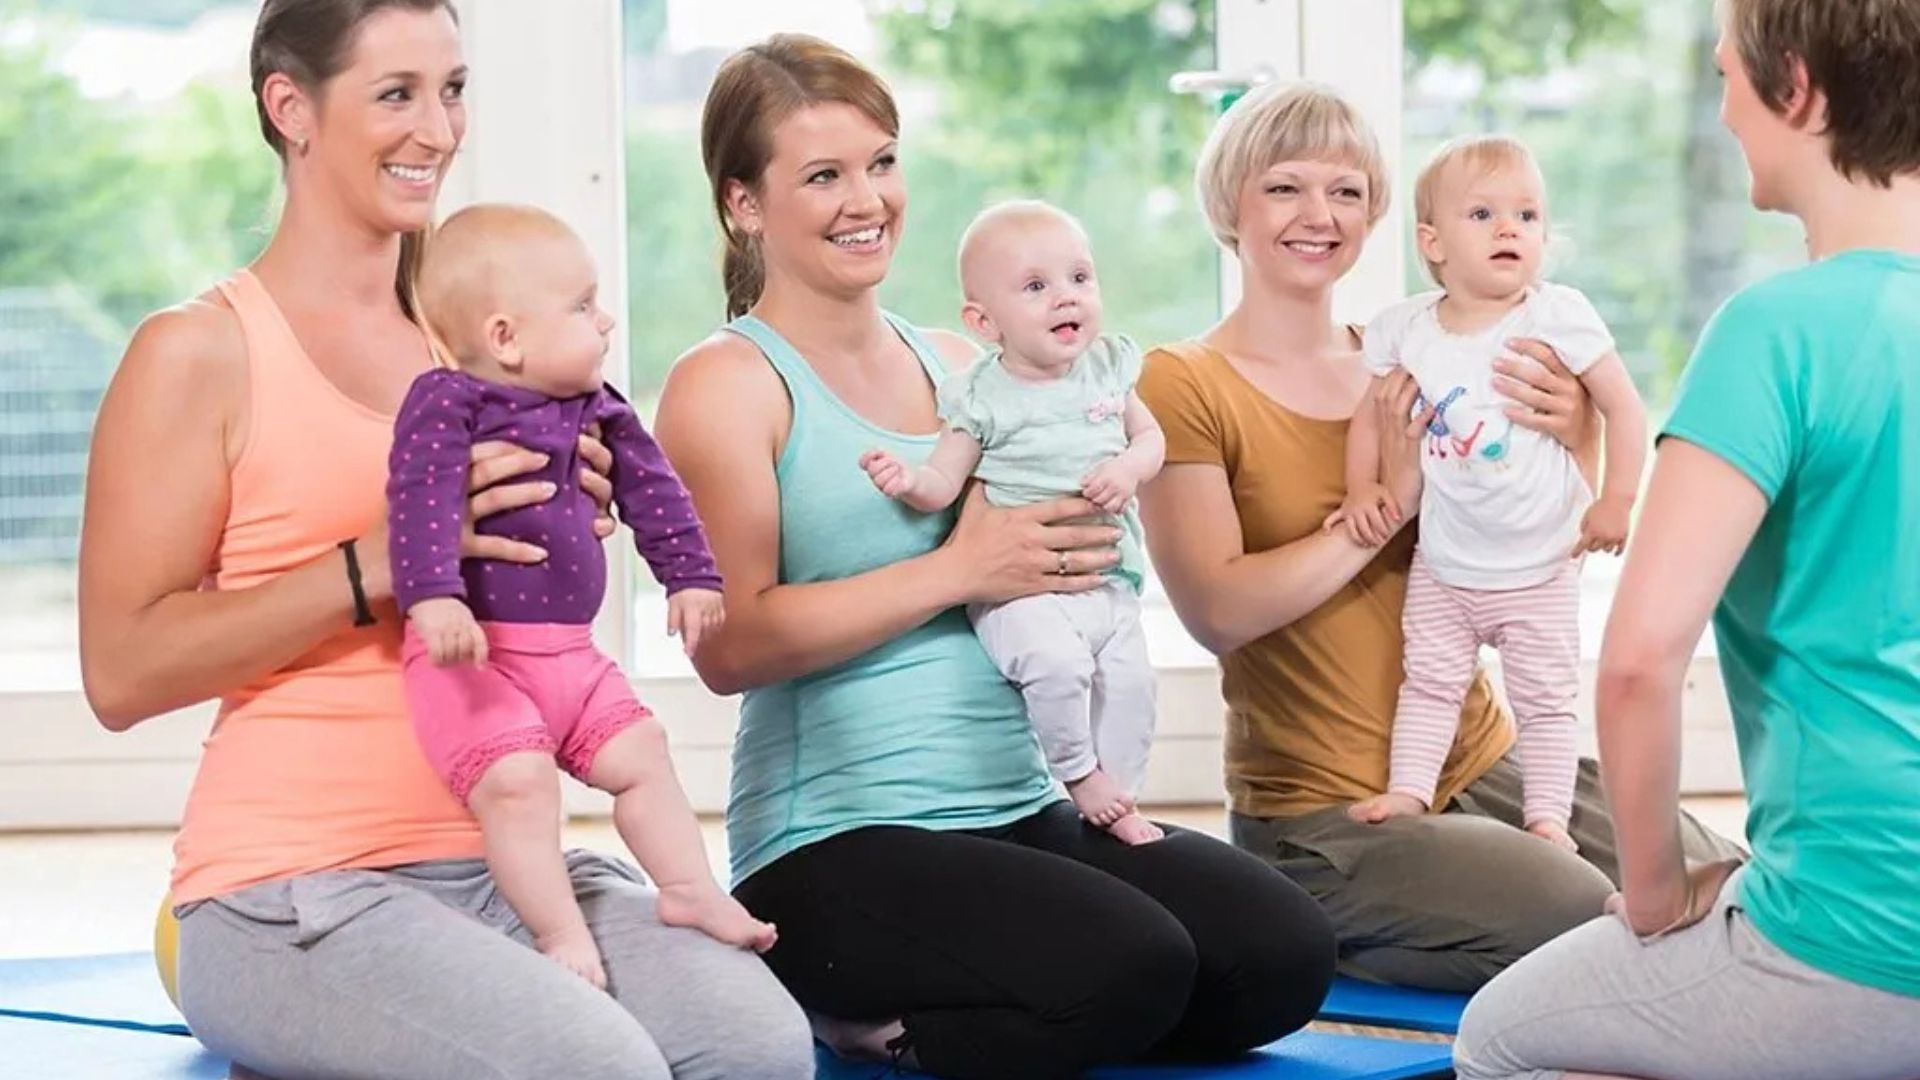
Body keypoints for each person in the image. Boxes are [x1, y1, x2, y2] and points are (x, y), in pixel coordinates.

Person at [75, 3, 811, 1078]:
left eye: (453, 88)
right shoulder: (202, 350)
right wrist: (370, 566)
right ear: (292, 109)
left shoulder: (488, 339)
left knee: (758, 1050)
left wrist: (584, 503)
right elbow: (121, 672)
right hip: (292, 883)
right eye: (396, 94)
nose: (438, 128)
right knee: (595, 1070)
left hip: (504, 869)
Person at [653, 33, 1335, 1080]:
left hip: (1018, 805)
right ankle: (862, 1021)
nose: (866, 198)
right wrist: (959, 570)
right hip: (836, 840)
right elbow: (729, 644)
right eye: (823, 176)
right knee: (1133, 966)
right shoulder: (729, 383)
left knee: (1280, 955)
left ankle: (1009, 998)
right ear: (744, 203)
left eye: (880, 162)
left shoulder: (967, 359)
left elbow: (1056, 527)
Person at [1135, 81, 1740, 993]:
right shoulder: (1182, 381)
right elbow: (1217, 610)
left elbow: (1539, 518)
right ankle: (1319, 933)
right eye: (1284, 188)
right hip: (1321, 812)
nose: (1319, 215)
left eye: (1345, 191)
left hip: (1480, 757)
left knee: (1720, 881)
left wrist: (1574, 429)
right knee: (1584, 914)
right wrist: (1396, 498)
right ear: (1231, 204)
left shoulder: (1421, 350)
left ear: (1379, 212)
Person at [1453, 1, 1920, 1075]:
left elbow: (1638, 662)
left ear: (1793, 87)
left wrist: (1658, 892)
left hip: (1863, 947)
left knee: (1497, 1043)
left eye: (1727, 78)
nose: (1723, 111)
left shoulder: (1777, 330)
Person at [389, 203, 775, 991]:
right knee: (520, 783)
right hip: (477, 659)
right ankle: (560, 930)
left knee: (644, 755)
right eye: (581, 305)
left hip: (569, 656)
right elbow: (420, 498)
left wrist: (691, 576)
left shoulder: (597, 407)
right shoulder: (444, 402)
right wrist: (435, 598)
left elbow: (656, 493)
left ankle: (689, 888)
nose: (605, 320)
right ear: (506, 337)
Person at [1332, 135, 1648, 852]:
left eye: (1528, 215)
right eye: (1483, 214)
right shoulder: (1408, 329)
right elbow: (1369, 414)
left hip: (1540, 564)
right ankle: (1411, 790)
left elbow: (1624, 409)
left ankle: (1548, 820)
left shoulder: (1555, 316)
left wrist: (1616, 501)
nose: (1511, 229)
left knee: (1545, 702)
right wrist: (1362, 487)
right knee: (1430, 683)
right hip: (1446, 565)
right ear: (1432, 241)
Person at [860, 200, 1166, 846]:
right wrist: (908, 481)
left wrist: (1131, 468)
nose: (1066, 299)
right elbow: (944, 481)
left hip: (1107, 580)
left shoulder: (1107, 369)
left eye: (1080, 279)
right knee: (1056, 668)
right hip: (1020, 594)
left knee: (1134, 682)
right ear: (983, 321)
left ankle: (1123, 793)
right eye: (1036, 287)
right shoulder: (982, 396)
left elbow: (1151, 438)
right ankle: (1079, 775)